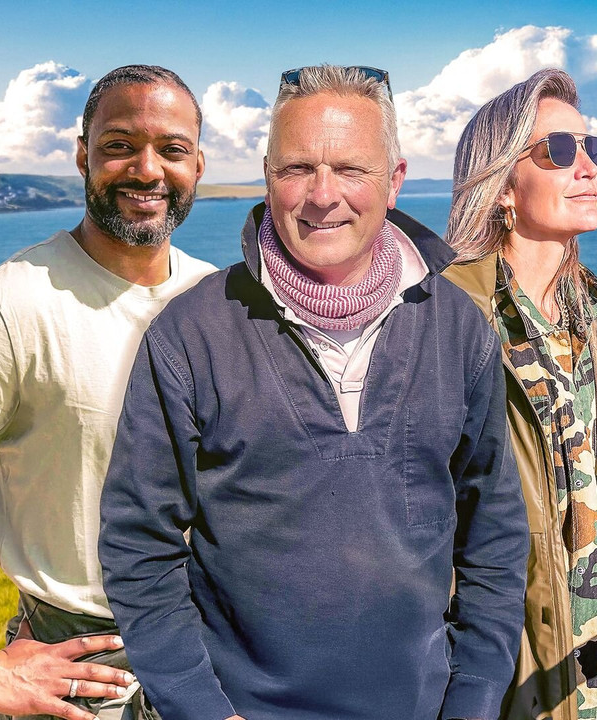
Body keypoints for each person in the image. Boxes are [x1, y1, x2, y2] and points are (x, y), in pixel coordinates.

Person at [98, 64, 530, 720]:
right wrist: (200, 710)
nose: (322, 196)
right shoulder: (190, 333)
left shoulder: (459, 328)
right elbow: (137, 545)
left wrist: (471, 701)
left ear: (395, 179)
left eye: (351, 169)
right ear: (269, 176)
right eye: (297, 168)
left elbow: (493, 536)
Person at [0, 64, 217, 720]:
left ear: (197, 163)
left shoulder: (219, 298)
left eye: (171, 149)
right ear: (83, 156)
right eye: (118, 146)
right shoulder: (8, 306)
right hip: (92, 681)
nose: (146, 170)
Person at [443, 68, 597, 720]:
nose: (587, 167)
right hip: (501, 675)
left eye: (594, 150)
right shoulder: (444, 317)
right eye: (560, 151)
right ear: (503, 185)